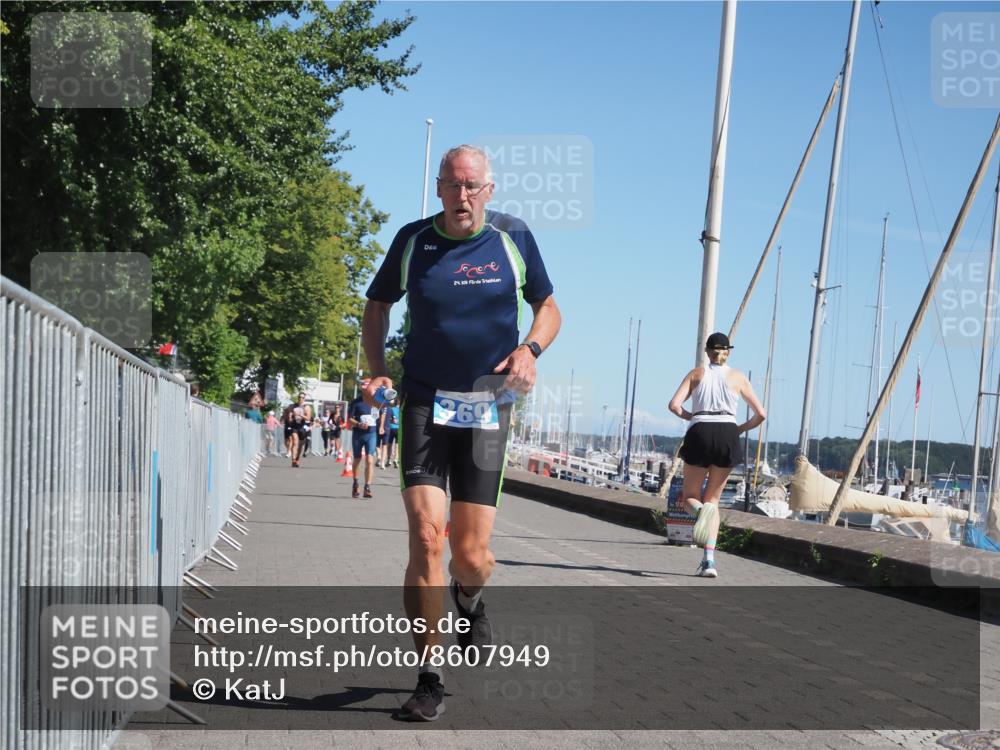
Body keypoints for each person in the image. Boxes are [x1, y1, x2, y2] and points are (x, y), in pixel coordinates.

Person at [362, 144, 561, 721]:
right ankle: (430, 676)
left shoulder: (513, 238)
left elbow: (548, 306)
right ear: (439, 189)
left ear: (489, 191)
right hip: (423, 400)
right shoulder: (413, 241)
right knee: (427, 537)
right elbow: (376, 307)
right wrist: (376, 369)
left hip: (486, 403)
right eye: (453, 185)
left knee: (470, 555)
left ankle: (469, 597)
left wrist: (530, 349)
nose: (463, 196)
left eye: (473, 186)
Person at [667, 332, 765, 578]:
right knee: (713, 500)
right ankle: (709, 560)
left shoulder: (696, 374)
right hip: (728, 432)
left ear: (707, 352)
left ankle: (700, 514)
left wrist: (692, 417)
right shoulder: (738, 377)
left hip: (700, 429)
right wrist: (740, 428)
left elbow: (674, 405)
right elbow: (761, 414)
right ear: (728, 352)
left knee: (690, 496)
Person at [348, 380, 378, 498]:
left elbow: (381, 415)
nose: (367, 391)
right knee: (357, 459)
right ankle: (355, 483)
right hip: (358, 434)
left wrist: (381, 428)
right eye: (365, 388)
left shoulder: (376, 402)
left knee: (370, 460)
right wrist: (359, 424)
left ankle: (367, 487)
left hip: (371, 434)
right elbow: (350, 419)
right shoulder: (356, 403)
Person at [282, 392, 310, 468]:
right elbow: (289, 416)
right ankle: (293, 460)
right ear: (298, 398)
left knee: (300, 445)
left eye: (302, 397)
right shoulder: (293, 406)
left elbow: (308, 418)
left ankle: (297, 458)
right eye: (299, 397)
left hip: (302, 427)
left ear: (304, 399)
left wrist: (301, 415)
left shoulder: (306, 407)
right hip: (295, 426)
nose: (300, 399)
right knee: (295, 442)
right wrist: (291, 418)